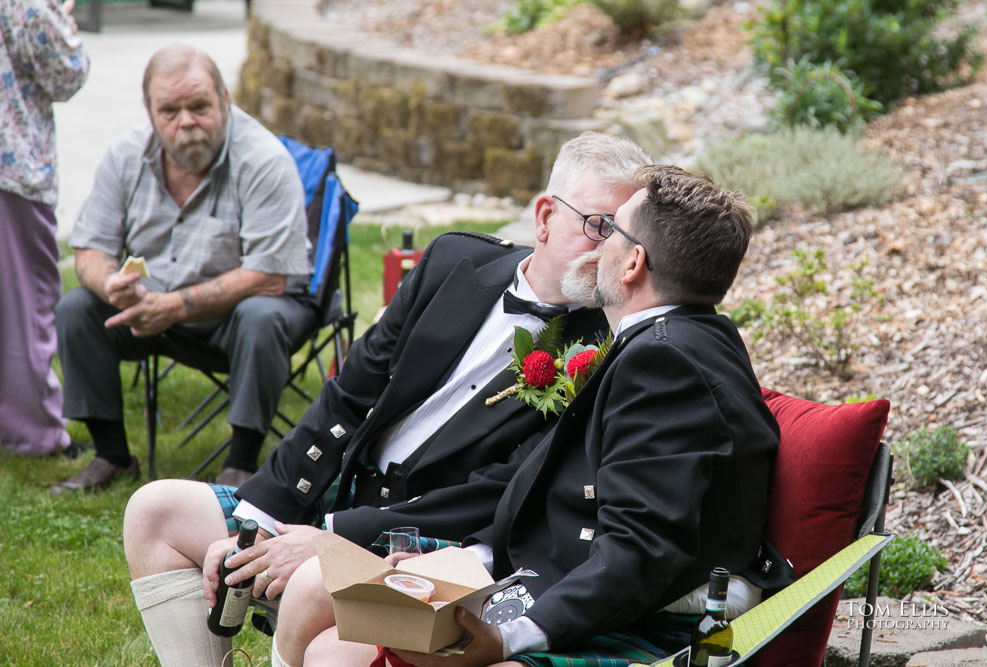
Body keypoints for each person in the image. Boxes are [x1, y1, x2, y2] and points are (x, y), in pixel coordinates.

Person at [121, 132, 652, 666]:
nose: (610, 251)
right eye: (597, 226)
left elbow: (504, 491)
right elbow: (348, 397)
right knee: (156, 510)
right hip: (343, 499)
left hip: (430, 545)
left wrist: (328, 538)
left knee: (313, 582)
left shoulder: (606, 347)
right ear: (543, 218)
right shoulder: (453, 261)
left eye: (624, 237)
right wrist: (256, 525)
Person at [272, 164, 783, 667]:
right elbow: (568, 500)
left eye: (612, 231)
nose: (599, 243)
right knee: (315, 591)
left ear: (632, 264)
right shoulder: (681, 338)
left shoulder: (665, 364)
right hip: (550, 569)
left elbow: (641, 549)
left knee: (333, 653)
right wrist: (467, 560)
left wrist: (506, 637)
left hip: (647, 615)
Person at [50, 44, 316, 493]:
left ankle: (241, 463)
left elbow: (270, 276)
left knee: (261, 316)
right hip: (151, 309)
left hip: (241, 313)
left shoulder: (263, 160)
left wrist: (173, 306)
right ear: (150, 111)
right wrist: (112, 284)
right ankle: (111, 455)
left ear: (226, 100)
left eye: (199, 106)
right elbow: (90, 250)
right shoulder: (125, 156)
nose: (186, 121)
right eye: (169, 110)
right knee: (77, 306)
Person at [0, 0, 89, 457]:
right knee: (23, 306)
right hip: (11, 168)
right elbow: (65, 73)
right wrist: (67, 26)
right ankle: (33, 434)